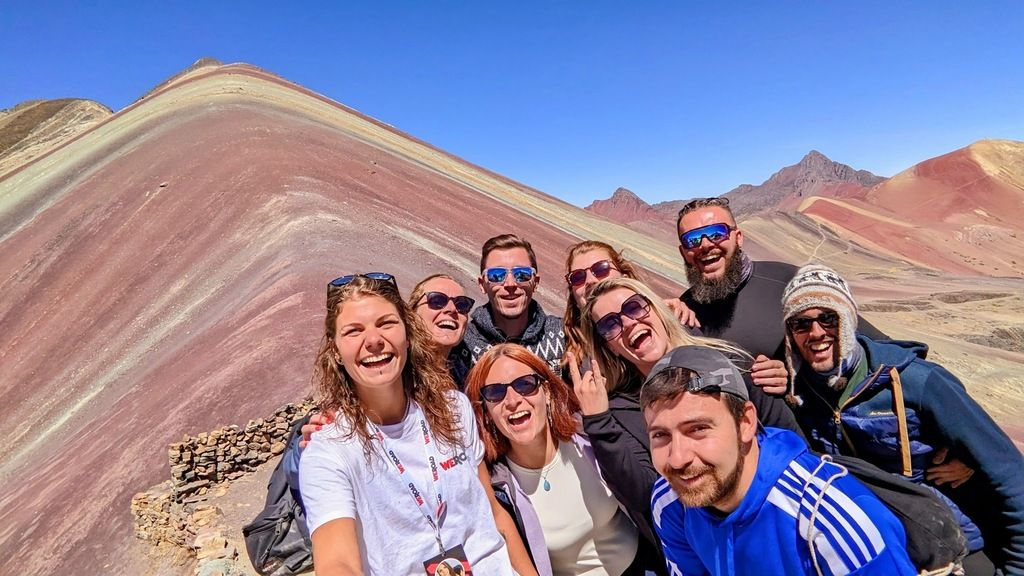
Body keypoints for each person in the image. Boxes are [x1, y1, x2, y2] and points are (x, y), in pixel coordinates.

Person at [781, 264, 1024, 574]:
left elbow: (1009, 473)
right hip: (878, 554)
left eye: (827, 318)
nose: (815, 333)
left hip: (956, 550)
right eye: (800, 324)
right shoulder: (799, 392)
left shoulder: (918, 382)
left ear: (847, 320)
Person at [296, 273, 536, 575]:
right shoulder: (329, 451)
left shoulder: (454, 409)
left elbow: (493, 513)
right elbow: (336, 561)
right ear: (336, 352)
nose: (373, 341)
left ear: (408, 334)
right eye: (353, 331)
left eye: (386, 323)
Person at [566, 276, 804, 550]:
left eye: (634, 308)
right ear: (609, 345)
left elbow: (789, 440)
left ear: (656, 308)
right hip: (705, 550)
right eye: (610, 324)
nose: (628, 323)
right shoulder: (620, 411)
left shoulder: (728, 362)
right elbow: (644, 494)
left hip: (781, 520)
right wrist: (597, 420)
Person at [643, 345, 918, 575]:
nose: (678, 459)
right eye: (660, 436)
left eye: (698, 429)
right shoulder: (671, 502)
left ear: (746, 422)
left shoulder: (829, 521)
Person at [466, 343, 665, 576]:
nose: (512, 400)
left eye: (525, 385)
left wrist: (600, 423)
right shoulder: (498, 489)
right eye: (495, 393)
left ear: (547, 393)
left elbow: (647, 492)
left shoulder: (587, 437)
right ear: (487, 412)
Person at [674, 197, 885, 391]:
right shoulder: (683, 312)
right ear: (683, 252)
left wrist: (795, 373)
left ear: (738, 238)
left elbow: (874, 347)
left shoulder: (790, 282)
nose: (705, 245)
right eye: (691, 239)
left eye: (716, 233)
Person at [564, 239, 788, 392]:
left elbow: (731, 361)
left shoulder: (676, 318)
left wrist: (769, 375)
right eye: (577, 277)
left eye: (601, 269)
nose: (591, 280)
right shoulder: (569, 356)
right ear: (573, 293)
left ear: (624, 274)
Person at [464, 234, 565, 371]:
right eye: (497, 275)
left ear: (535, 283)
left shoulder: (565, 335)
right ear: (482, 285)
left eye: (522, 274)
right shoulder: (463, 346)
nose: (510, 284)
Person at [409, 273, 475, 389]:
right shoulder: (396, 371)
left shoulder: (470, 383)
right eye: (437, 300)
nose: (452, 309)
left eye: (462, 304)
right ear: (412, 313)